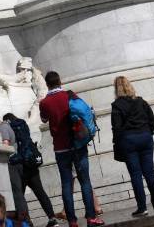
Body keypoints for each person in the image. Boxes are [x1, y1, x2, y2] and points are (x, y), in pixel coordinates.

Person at [39, 71, 104, 227]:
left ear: (47, 85)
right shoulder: (69, 95)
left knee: (66, 185)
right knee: (85, 181)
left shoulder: (45, 102)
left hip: (60, 148)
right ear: (60, 81)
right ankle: (91, 218)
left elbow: (44, 119)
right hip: (77, 144)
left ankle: (72, 221)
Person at [0, 114, 57, 227]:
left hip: (15, 165)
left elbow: (6, 144)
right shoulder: (16, 125)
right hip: (29, 163)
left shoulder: (2, 128)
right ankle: (52, 218)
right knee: (39, 192)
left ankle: (27, 222)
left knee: (18, 196)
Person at [110, 76, 154, 217]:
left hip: (129, 140)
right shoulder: (141, 101)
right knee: (149, 172)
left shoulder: (117, 105)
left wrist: (118, 143)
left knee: (136, 175)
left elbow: (116, 128)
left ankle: (142, 207)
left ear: (116, 89)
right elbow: (152, 120)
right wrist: (148, 132)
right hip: (145, 137)